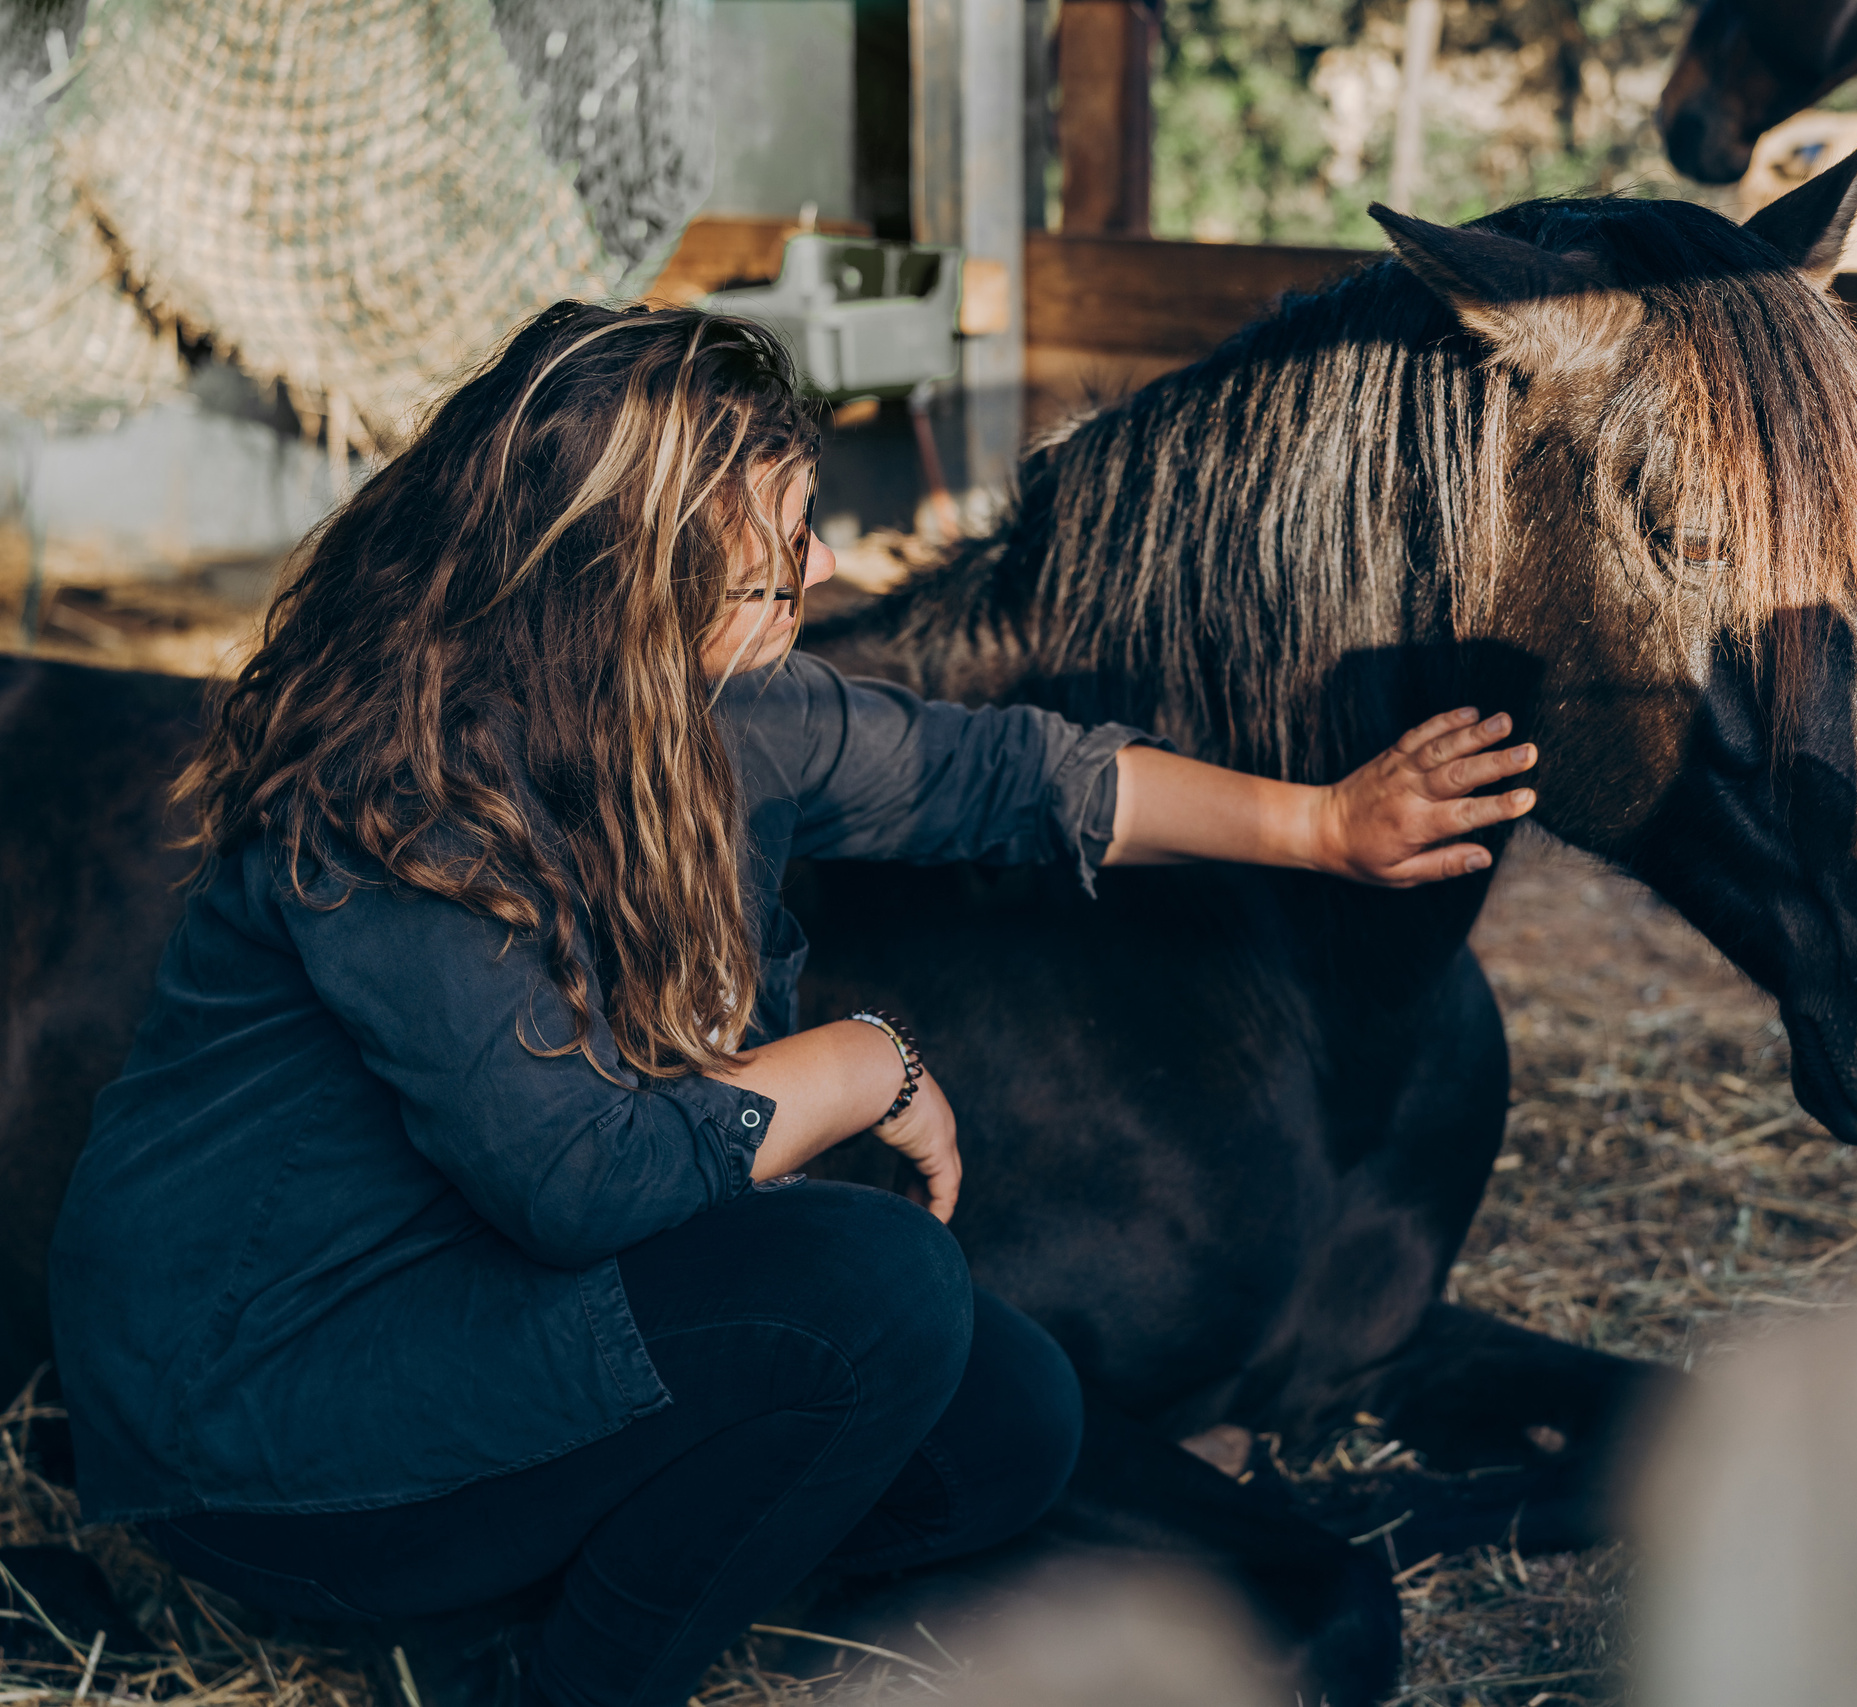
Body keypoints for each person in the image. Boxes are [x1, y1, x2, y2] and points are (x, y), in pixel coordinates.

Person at [45, 303, 1539, 1707]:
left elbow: (1012, 778)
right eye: (780, 551)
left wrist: (1324, 828)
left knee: (1011, 1408)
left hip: (470, 1331)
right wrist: (856, 1067)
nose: (817, 575)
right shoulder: (403, 799)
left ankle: (530, 1612)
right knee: (871, 1286)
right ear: (622, 569)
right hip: (260, 1424)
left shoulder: (717, 718)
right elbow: (577, 1182)